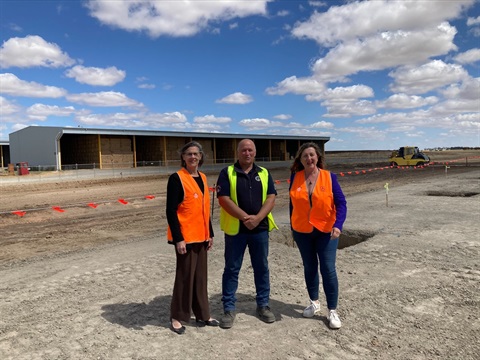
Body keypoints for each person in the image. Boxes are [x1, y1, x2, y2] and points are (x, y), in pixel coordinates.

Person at [216, 139, 278, 329]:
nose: (247, 153)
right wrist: (245, 218)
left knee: (261, 268)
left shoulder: (264, 173)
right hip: (236, 231)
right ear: (238, 153)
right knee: (232, 269)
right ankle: (228, 308)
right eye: (243, 150)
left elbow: (271, 197)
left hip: (259, 230)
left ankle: (263, 305)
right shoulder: (227, 173)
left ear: (255, 152)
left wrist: (258, 218)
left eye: (250, 150)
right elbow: (223, 199)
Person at [289, 142, 347, 329]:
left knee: (328, 268)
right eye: (305, 155)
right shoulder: (295, 177)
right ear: (300, 159)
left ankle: (332, 310)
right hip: (302, 232)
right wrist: (292, 226)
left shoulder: (329, 177)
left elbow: (341, 203)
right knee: (309, 267)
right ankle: (314, 302)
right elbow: (292, 204)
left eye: (312, 155)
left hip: (326, 231)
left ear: (318, 157)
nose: (309, 158)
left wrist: (338, 225)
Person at [166, 141, 219, 335]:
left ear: (201, 156)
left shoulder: (203, 177)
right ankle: (177, 316)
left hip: (202, 236)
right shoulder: (177, 178)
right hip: (186, 238)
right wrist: (178, 238)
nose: (193, 157)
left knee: (200, 278)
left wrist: (210, 234)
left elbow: (205, 208)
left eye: (196, 154)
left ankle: (203, 314)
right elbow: (171, 211)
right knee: (184, 277)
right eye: (189, 154)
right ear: (183, 157)